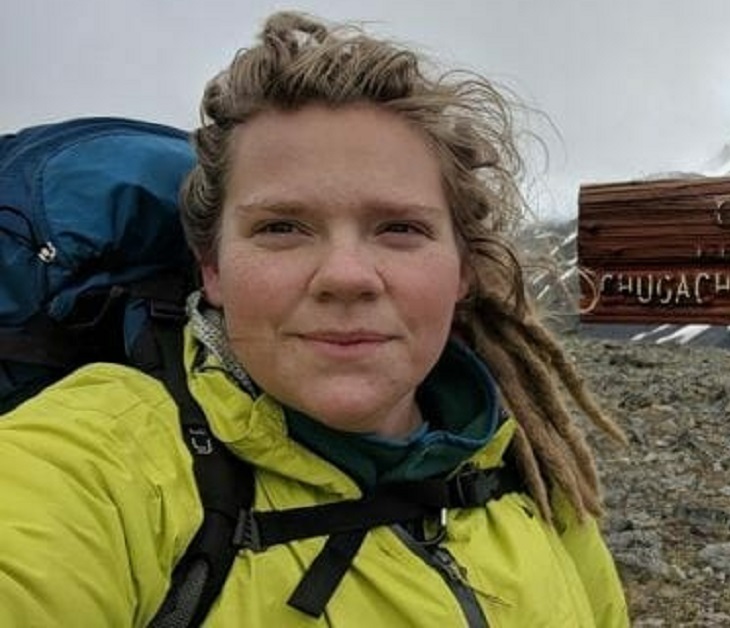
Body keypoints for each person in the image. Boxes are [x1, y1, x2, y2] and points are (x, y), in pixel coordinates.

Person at [0, 10, 628, 627]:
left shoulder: (529, 476)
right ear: (212, 268)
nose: (346, 276)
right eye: (281, 228)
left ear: (464, 268)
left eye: (401, 228)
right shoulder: (99, 461)